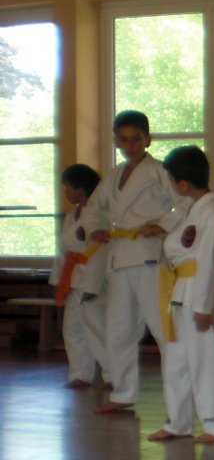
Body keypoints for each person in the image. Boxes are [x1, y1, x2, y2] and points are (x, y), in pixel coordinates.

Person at [85, 110, 183, 415]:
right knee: (118, 331)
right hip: (119, 259)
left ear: (148, 139)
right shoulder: (114, 175)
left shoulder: (159, 171)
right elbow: (93, 208)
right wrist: (96, 228)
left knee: (162, 329)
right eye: (123, 140)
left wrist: (162, 224)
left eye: (135, 139)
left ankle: (180, 398)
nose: (129, 146)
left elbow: (184, 203)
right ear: (116, 141)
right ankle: (123, 392)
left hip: (150, 257)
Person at [146, 146, 214, 444]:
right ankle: (178, 422)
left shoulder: (212, 210)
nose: (171, 186)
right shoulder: (189, 209)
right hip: (180, 290)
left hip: (200, 289)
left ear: (183, 184)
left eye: (172, 180)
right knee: (176, 362)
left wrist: (204, 305)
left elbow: (208, 258)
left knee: (207, 360)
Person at [51, 163, 109, 389]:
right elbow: (63, 252)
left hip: (94, 280)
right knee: (72, 328)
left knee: (97, 328)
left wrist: (93, 285)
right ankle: (81, 373)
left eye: (68, 187)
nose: (65, 192)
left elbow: (102, 251)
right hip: (73, 279)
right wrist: (58, 281)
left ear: (81, 189)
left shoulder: (99, 216)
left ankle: (113, 375)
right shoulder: (70, 217)